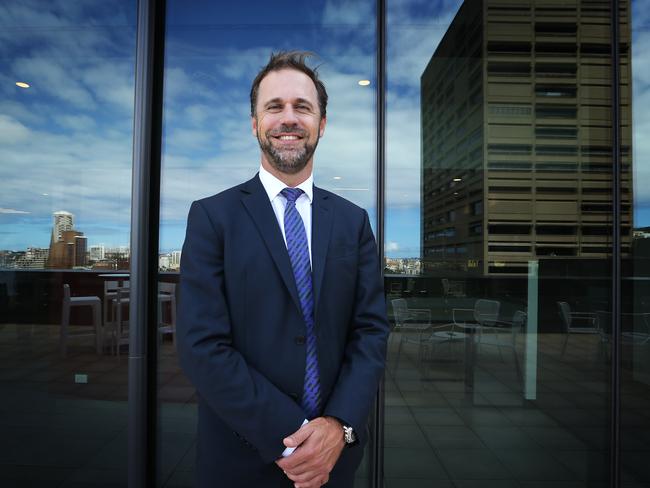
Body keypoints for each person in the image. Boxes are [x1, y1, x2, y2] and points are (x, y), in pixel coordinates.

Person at [177, 50, 389, 488]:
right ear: (254, 124)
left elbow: (370, 332)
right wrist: (292, 438)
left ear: (321, 125)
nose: (288, 118)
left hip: (335, 461)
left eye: (302, 107)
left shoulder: (353, 221)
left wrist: (337, 426)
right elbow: (201, 345)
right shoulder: (212, 217)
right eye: (274, 107)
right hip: (241, 458)